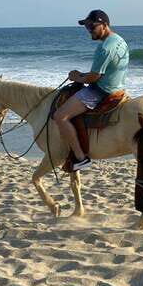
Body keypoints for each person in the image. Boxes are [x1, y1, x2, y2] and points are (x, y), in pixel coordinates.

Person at [52, 9, 130, 171]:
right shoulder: (120, 40)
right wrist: (82, 75)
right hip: (119, 87)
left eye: (92, 26)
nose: (89, 30)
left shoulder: (104, 48)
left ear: (104, 25)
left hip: (102, 91)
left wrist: (76, 77)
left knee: (60, 116)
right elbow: (105, 71)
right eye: (87, 27)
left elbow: (94, 77)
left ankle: (81, 158)